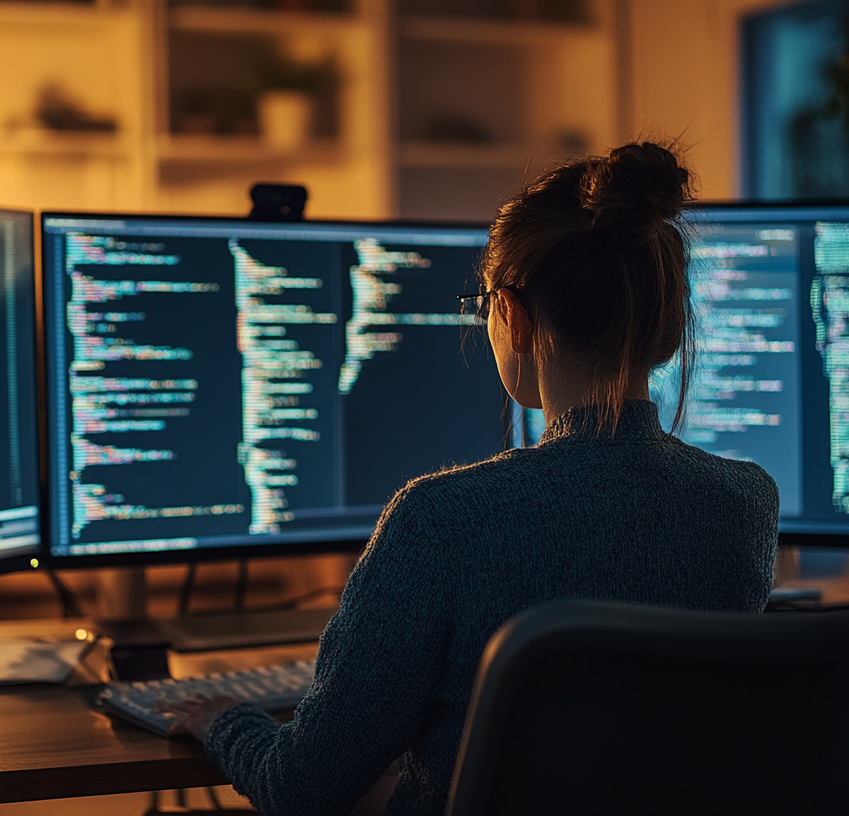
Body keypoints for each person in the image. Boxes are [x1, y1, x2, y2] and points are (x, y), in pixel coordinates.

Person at [158, 142, 780, 816]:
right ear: (664, 336)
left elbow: (300, 788)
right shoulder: (744, 503)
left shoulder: (442, 519)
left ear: (511, 316)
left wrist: (221, 718)